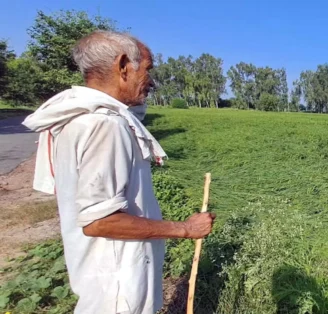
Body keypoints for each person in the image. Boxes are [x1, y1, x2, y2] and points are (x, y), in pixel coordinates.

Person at [22, 30, 215, 314]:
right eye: (147, 70)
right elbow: (100, 221)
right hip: (118, 287)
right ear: (123, 66)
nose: (152, 81)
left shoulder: (78, 119)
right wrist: (185, 229)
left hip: (105, 280)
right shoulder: (104, 126)